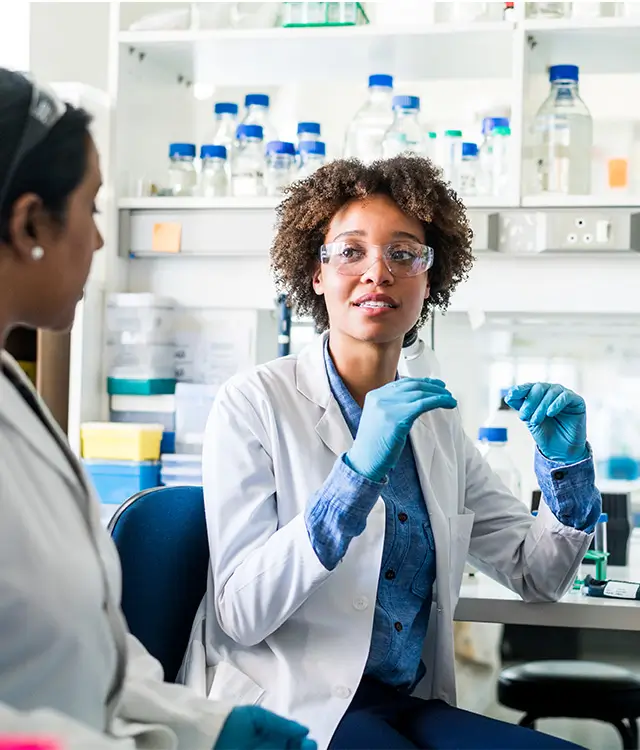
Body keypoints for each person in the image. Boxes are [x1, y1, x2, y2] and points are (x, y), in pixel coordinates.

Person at [181, 155, 601, 750]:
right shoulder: (254, 402)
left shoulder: (434, 421)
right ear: (316, 273)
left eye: (403, 254)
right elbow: (242, 614)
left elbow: (538, 575)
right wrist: (354, 476)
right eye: (350, 251)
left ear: (430, 280)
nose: (377, 271)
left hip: (406, 700)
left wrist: (567, 468)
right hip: (291, 700)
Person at [0, 68, 316, 750]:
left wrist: (207, 725)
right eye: (90, 210)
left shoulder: (15, 401)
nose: (101, 240)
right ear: (30, 223)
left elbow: (94, 653)